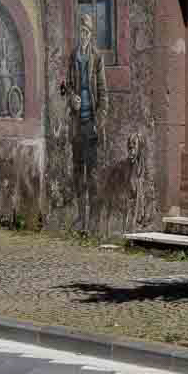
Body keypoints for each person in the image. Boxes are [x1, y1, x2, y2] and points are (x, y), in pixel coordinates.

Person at [66, 13, 108, 232]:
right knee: (77, 172)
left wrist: (97, 123)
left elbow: (103, 94)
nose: (83, 35)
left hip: (90, 124)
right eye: (81, 31)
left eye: (86, 32)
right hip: (76, 125)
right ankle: (81, 216)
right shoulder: (73, 56)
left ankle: (92, 220)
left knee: (92, 173)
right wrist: (72, 97)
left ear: (91, 35)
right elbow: (67, 86)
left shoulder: (97, 58)